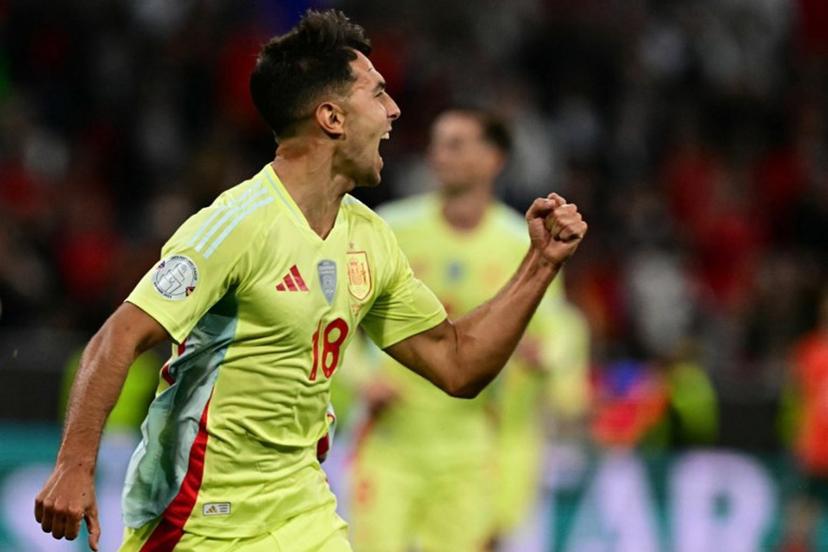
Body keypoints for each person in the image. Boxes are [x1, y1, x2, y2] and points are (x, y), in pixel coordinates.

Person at [33, 10, 587, 552]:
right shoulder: (238, 225)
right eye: (377, 94)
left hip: (303, 511)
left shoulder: (370, 238)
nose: (394, 111)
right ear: (332, 118)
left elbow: (458, 364)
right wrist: (74, 468)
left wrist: (540, 263)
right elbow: (117, 337)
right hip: (201, 517)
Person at [347, 108, 589, 551]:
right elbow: (338, 318)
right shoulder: (392, 228)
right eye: (436, 144)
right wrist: (363, 380)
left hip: (473, 442)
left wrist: (547, 356)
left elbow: (559, 327)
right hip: (392, 437)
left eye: (456, 144)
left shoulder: (521, 239)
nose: (439, 155)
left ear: (493, 159)